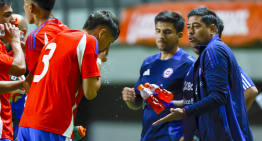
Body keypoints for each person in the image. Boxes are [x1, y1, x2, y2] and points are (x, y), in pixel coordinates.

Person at [17, 10, 120, 141]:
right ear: (102, 33)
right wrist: (99, 60)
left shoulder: (58, 38)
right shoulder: (89, 41)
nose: (107, 49)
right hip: (52, 127)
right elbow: (91, 92)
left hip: (26, 125)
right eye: (109, 42)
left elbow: (29, 82)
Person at [153, 7, 253, 141]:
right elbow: (198, 100)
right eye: (188, 27)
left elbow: (219, 96)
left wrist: (184, 112)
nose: (190, 31)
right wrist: (170, 104)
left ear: (212, 29)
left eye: (196, 26)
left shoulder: (214, 51)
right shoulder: (205, 56)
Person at [122, 11, 195, 141]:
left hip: (174, 137)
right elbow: (138, 102)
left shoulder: (189, 64)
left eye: (167, 32)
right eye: (158, 31)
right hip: (148, 136)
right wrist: (130, 98)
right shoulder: (148, 63)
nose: (161, 36)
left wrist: (190, 136)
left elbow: (199, 103)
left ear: (179, 35)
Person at [22, 0, 68, 92]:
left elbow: (35, 80)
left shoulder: (34, 37)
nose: (24, 7)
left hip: (44, 101)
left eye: (25, 3)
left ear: (31, 7)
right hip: (65, 96)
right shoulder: (65, 29)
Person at [0, 0, 26, 140]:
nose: (12, 21)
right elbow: (20, 68)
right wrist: (15, 41)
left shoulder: (2, 46)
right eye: (7, 15)